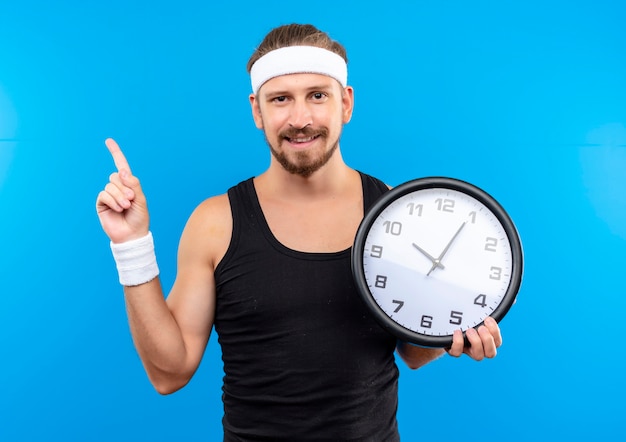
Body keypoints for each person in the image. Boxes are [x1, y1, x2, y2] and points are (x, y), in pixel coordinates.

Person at [96, 23, 503, 441]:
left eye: (317, 95)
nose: (300, 119)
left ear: (346, 103)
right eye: (280, 99)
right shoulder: (216, 223)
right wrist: (131, 245)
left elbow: (414, 352)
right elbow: (170, 371)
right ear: (257, 111)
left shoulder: (397, 215)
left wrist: (452, 333)